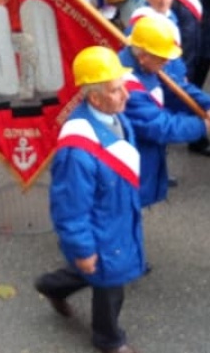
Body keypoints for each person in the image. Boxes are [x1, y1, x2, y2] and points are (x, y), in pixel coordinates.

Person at [35, 45, 145, 353]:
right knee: (111, 285)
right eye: (115, 90)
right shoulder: (78, 150)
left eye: (123, 86)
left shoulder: (115, 116)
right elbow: (70, 209)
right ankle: (108, 339)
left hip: (116, 218)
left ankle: (51, 285)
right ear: (94, 98)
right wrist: (82, 247)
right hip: (102, 229)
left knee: (94, 270)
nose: (126, 94)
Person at [119, 15, 210, 207]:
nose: (167, 62)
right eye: (162, 58)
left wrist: (207, 104)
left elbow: (176, 87)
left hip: (143, 156)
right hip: (127, 163)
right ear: (143, 56)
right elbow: (160, 126)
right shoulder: (127, 87)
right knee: (123, 211)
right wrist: (202, 126)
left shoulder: (148, 65)